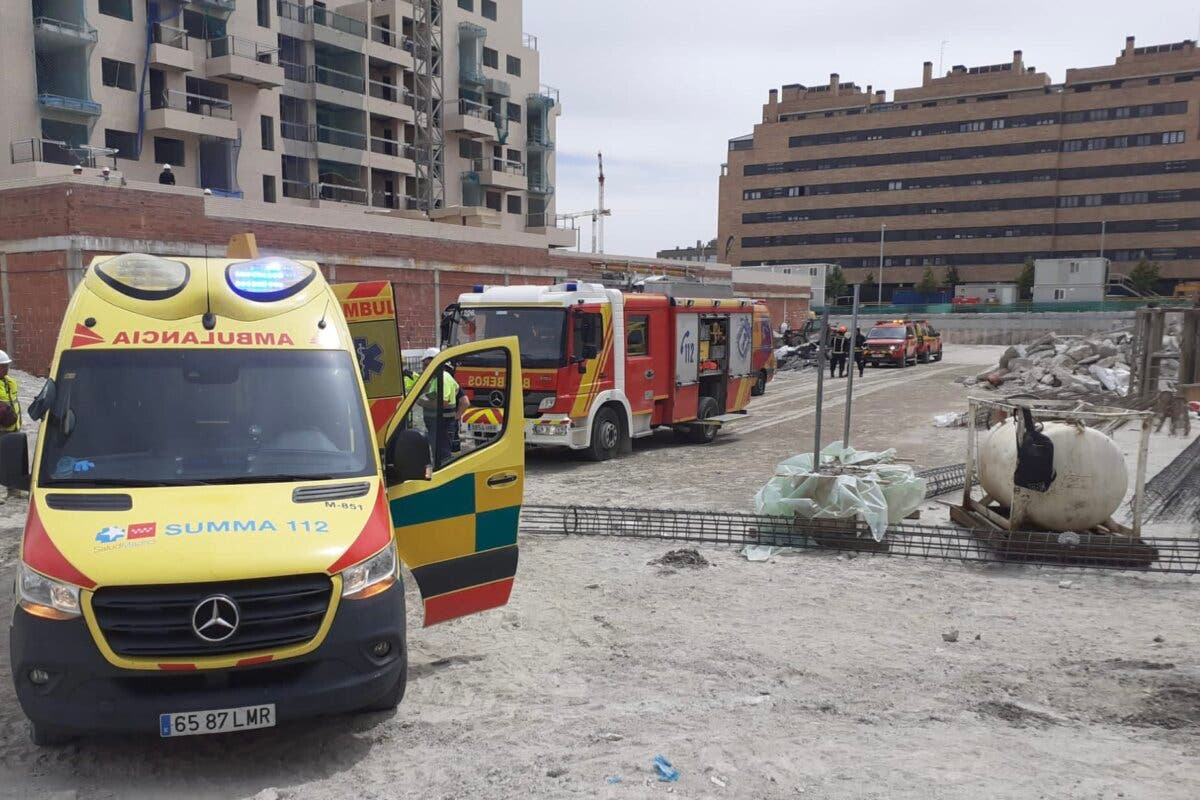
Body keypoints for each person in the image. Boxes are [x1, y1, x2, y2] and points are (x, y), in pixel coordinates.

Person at [410, 347, 461, 466]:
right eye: (424, 365)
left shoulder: (443, 378)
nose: (424, 368)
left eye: (427, 365)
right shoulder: (435, 379)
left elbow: (443, 402)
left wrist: (420, 401)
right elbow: (432, 395)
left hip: (442, 425)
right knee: (437, 456)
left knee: (443, 458)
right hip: (436, 425)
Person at [0, 351, 19, 434]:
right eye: (3, 367)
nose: (6, 369)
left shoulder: (8, 383)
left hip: (13, 431)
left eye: (6, 366)